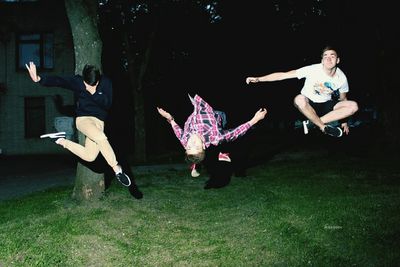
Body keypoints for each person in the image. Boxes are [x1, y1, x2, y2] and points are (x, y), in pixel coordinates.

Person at [26, 62, 141, 194]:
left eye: (92, 85)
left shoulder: (106, 83)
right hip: (83, 120)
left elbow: (107, 103)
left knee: (90, 156)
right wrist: (39, 79)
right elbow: (60, 81)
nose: (87, 87)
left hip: (98, 123)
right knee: (101, 138)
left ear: (98, 81)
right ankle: (117, 170)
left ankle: (61, 140)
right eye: (86, 85)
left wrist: (94, 93)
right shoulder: (79, 82)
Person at [246, 45, 358, 137]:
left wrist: (344, 122)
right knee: (300, 99)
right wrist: (259, 79)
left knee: (353, 106)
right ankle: (323, 127)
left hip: (326, 105)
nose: (328, 59)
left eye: (332, 56)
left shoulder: (342, 77)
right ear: (322, 61)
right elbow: (283, 75)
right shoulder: (312, 69)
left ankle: (312, 123)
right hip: (308, 103)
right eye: (325, 56)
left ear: (338, 60)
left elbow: (343, 98)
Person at [157, 94, 267, 177]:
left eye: (189, 147)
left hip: (198, 108)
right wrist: (254, 120)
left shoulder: (185, 141)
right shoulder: (215, 137)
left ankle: (198, 162)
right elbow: (235, 133)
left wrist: (169, 118)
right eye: (196, 146)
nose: (192, 143)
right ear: (203, 145)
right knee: (219, 145)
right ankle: (218, 156)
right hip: (218, 115)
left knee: (207, 152)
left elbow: (176, 129)